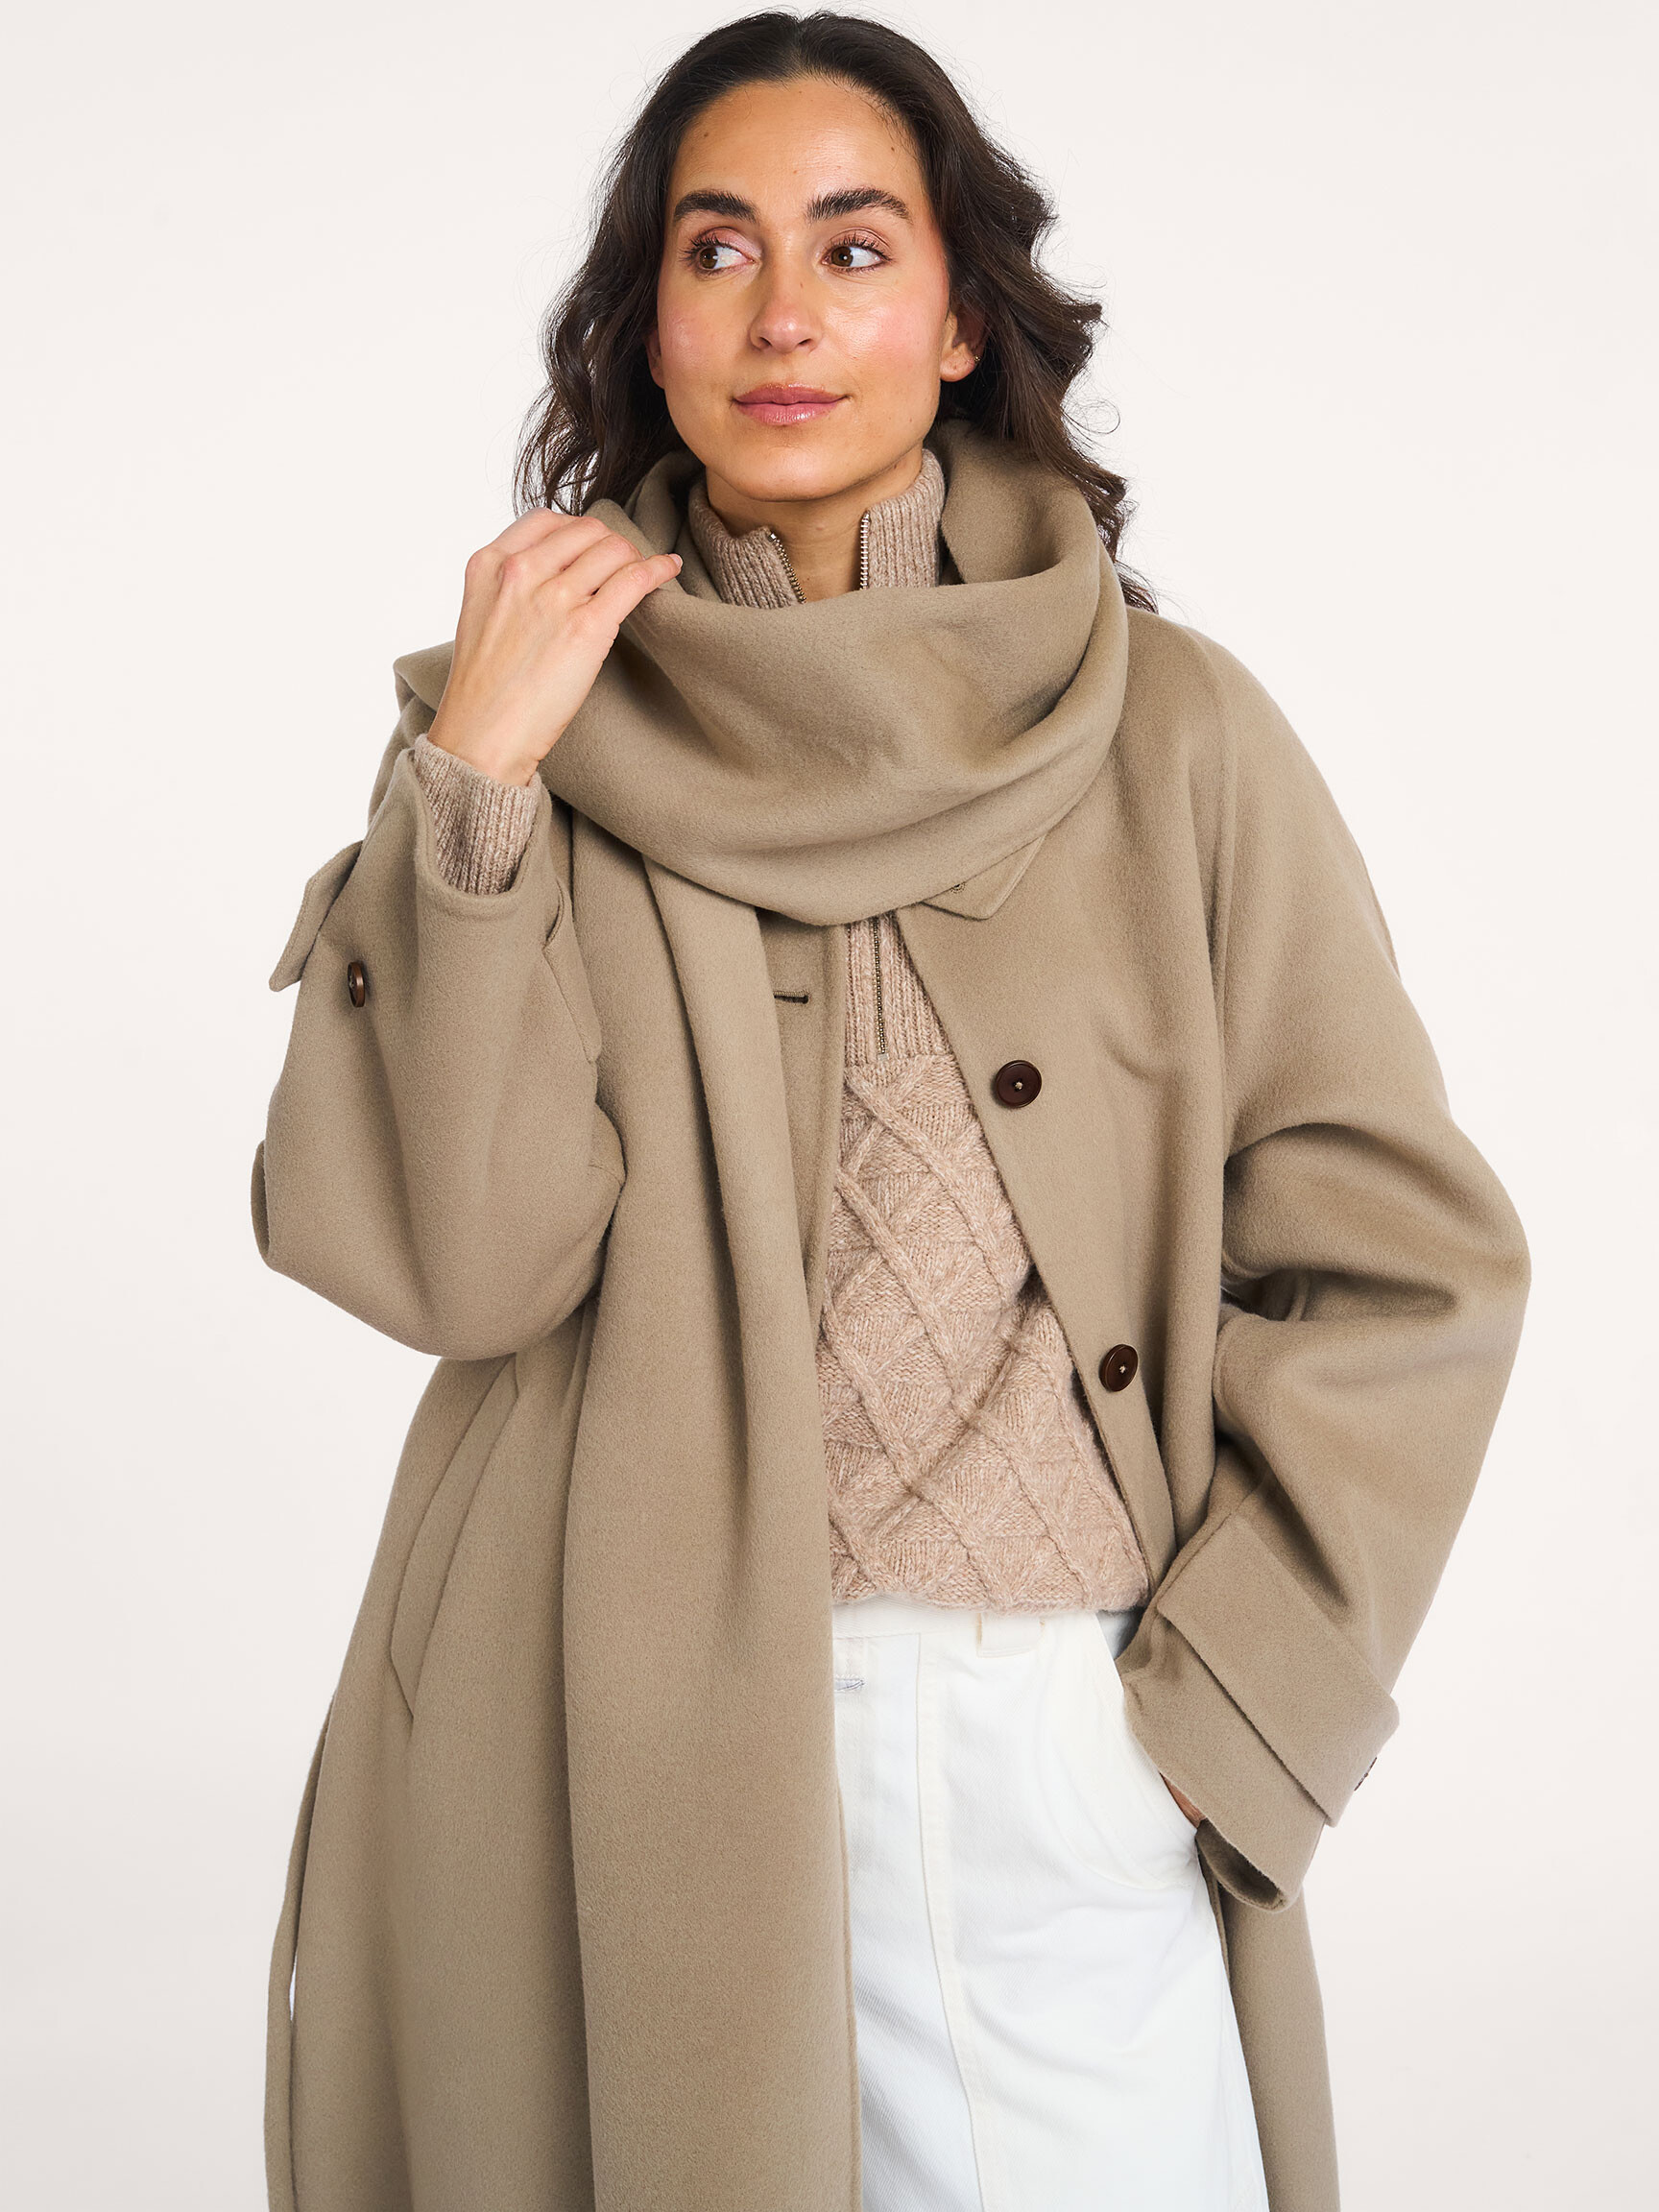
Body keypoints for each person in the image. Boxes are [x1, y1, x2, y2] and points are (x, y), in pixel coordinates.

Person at [252, 13, 1529, 2212]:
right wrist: (474, 790)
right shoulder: (523, 738)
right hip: (605, 1759)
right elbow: (459, 1269)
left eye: (853, 249)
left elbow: (1407, 1264)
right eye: (715, 250)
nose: (782, 314)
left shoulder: (1174, 736)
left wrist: (1219, 1720)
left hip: (1063, 1742)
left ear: (957, 320)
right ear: (644, 324)